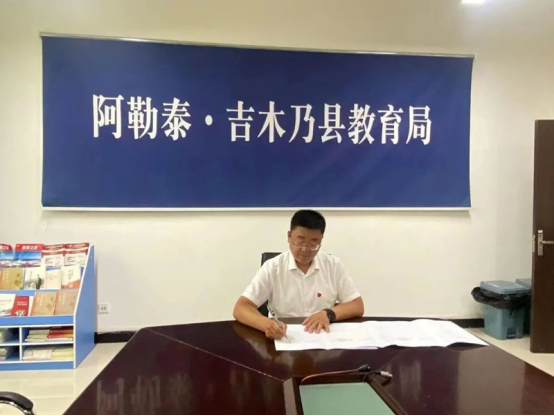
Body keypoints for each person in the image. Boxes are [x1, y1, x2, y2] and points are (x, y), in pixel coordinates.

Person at [233, 210, 364, 340]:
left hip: (323, 338)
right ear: (289, 236)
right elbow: (241, 308)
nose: (305, 249)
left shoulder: (333, 265)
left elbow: (357, 305)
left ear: (321, 240)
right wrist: (266, 324)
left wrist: (328, 314)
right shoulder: (272, 268)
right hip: (285, 338)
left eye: (313, 243)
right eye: (300, 241)